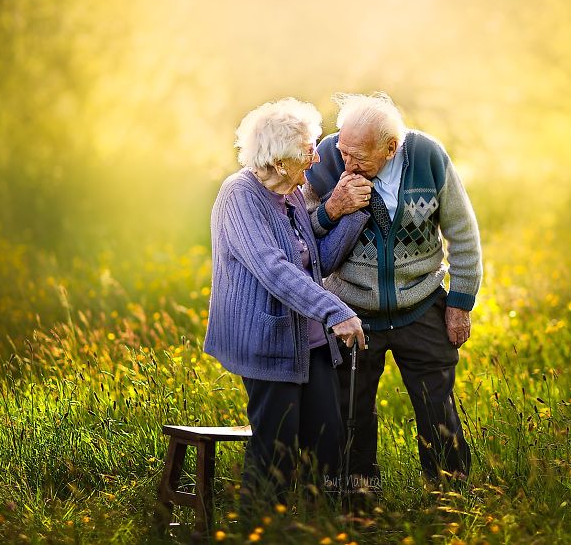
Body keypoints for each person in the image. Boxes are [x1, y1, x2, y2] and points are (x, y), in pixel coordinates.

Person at [304, 92, 482, 489]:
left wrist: (460, 302)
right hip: (350, 310)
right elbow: (299, 235)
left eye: (358, 157)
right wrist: (332, 208)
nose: (346, 162)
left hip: (420, 304)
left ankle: (449, 494)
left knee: (437, 409)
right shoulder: (328, 158)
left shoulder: (428, 157)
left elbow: (463, 233)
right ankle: (358, 499)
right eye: (343, 149)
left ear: (391, 147)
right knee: (352, 411)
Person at [204, 97, 369, 510]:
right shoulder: (238, 196)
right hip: (267, 339)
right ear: (279, 162)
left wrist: (351, 213)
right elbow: (274, 269)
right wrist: (337, 311)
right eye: (307, 150)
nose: (316, 158)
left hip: (309, 342)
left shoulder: (292, 195)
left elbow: (317, 262)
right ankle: (259, 530)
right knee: (276, 452)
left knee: (328, 442)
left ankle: (321, 527)